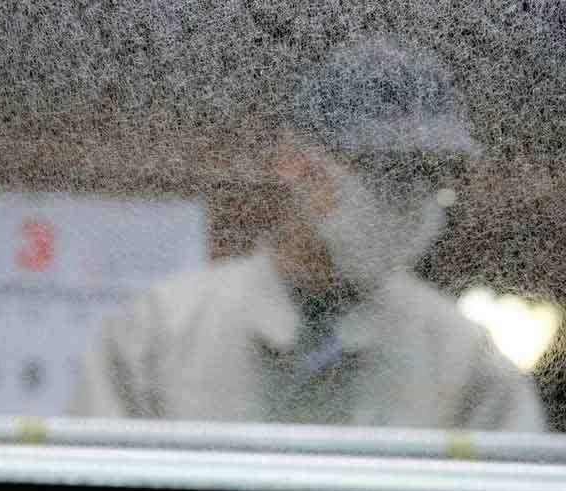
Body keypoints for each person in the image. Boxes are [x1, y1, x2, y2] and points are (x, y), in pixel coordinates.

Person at [68, 34, 547, 431]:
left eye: (432, 177)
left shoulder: (463, 357)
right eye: (388, 171)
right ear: (297, 164)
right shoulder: (161, 330)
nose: (414, 200)